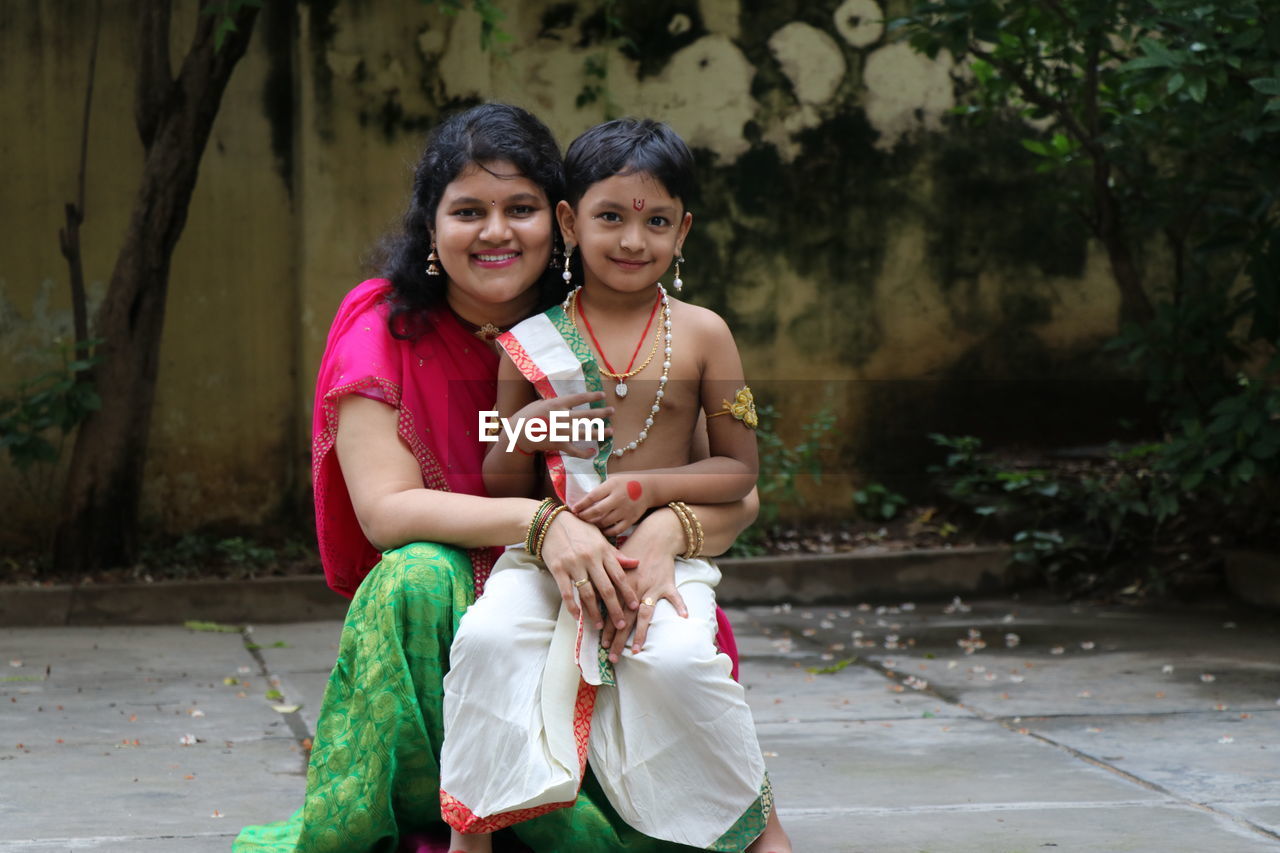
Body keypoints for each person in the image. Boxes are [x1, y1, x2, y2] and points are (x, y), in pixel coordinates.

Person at [232, 103, 759, 853]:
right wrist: (542, 527)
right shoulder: (382, 328)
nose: (496, 232)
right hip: (472, 582)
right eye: (468, 211)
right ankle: (444, 812)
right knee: (411, 577)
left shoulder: (605, 315)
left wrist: (669, 526)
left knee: (661, 610)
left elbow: (735, 482)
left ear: (561, 224)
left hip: (608, 578)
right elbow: (385, 512)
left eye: (521, 208)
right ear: (430, 227)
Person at [439, 118, 792, 853]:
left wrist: (645, 493)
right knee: (488, 638)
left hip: (664, 551)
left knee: (679, 661)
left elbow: (739, 470)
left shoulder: (703, 334)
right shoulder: (531, 337)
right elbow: (497, 473)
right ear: (570, 221)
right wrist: (531, 422)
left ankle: (755, 830)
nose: (634, 241)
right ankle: (470, 836)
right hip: (548, 556)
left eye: (656, 221)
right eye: (611, 218)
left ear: (682, 231)